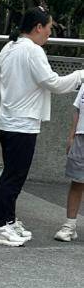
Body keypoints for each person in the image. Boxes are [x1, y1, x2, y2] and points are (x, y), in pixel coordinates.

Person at [0, 6, 84, 247]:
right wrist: (80, 75)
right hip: (22, 124)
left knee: (12, 174)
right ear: (38, 27)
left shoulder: (10, 47)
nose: (50, 33)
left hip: (8, 120)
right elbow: (53, 83)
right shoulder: (32, 50)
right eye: (49, 28)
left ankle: (8, 220)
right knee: (14, 177)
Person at [54, 85, 84, 242]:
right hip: (81, 137)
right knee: (77, 182)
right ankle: (69, 226)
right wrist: (71, 136)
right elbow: (78, 110)